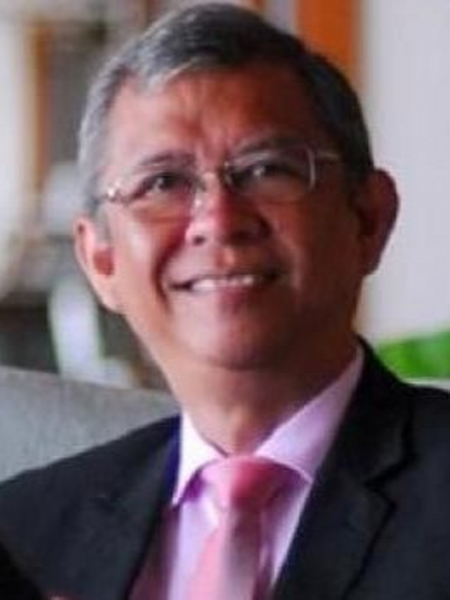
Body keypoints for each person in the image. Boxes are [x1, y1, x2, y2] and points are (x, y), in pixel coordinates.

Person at [0, 3, 449, 599]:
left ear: (368, 219)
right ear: (101, 260)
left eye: (267, 170)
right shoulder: (26, 533)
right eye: (163, 183)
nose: (218, 219)